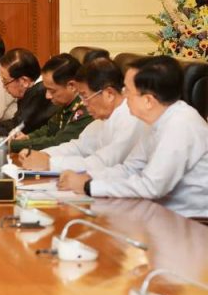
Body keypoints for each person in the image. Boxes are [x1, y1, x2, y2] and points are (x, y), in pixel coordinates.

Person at [59, 56, 208, 218]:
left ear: (148, 100)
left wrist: (89, 186)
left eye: (127, 90)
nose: (123, 96)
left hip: (190, 221)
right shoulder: (156, 121)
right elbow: (130, 168)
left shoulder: (180, 124)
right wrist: (89, 177)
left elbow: (151, 187)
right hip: (157, 212)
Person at [19, 58, 144, 174]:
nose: (83, 103)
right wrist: (43, 155)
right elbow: (79, 147)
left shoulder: (130, 119)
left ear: (109, 94)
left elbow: (103, 163)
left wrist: (50, 163)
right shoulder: (105, 116)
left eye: (85, 96)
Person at [12, 53, 94, 153]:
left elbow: (59, 142)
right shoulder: (66, 103)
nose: (47, 96)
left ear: (72, 86)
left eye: (52, 91)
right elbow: (50, 129)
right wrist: (28, 137)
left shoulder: (86, 109)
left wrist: (13, 145)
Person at [0, 48, 58, 138]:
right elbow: (17, 121)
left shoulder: (39, 93)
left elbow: (20, 129)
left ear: (24, 81)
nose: (4, 87)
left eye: (5, 81)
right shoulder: (34, 89)